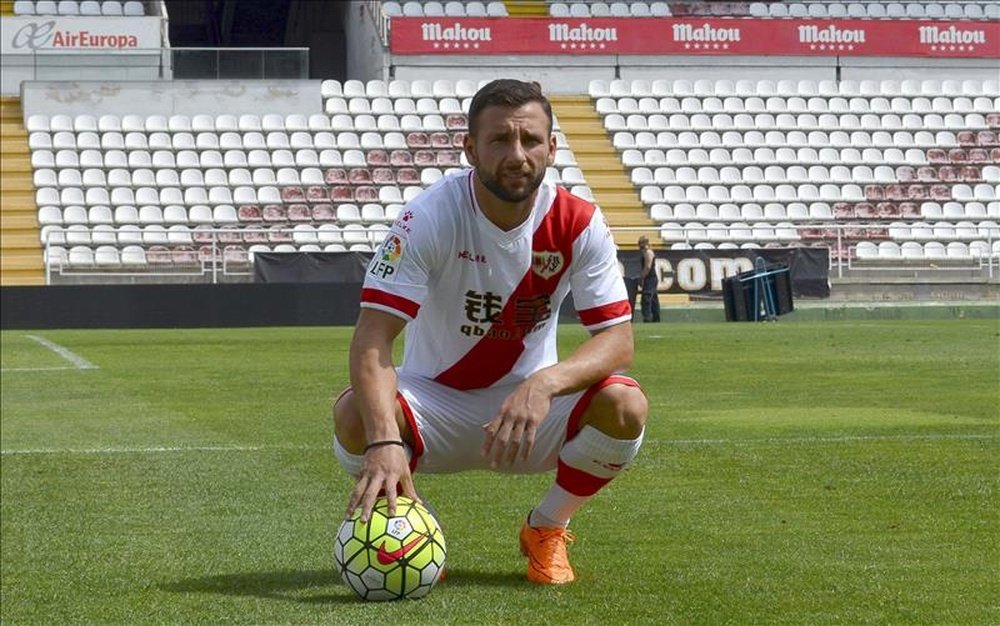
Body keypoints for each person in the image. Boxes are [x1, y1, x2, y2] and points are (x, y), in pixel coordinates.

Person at [333, 79, 648, 585]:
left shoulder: (578, 222)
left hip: (528, 412)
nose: (516, 154)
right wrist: (384, 440)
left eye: (529, 140)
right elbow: (373, 339)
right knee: (354, 415)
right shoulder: (429, 217)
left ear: (551, 147)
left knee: (626, 405)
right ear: (470, 148)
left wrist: (543, 384)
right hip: (432, 406)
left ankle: (547, 527)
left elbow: (618, 341)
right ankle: (407, 525)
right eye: (499, 140)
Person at [637, 235, 660, 323]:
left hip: (650, 278)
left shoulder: (648, 253)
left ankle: (647, 318)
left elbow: (648, 267)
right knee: (654, 299)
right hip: (651, 278)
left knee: (646, 298)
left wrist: (641, 277)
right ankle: (656, 318)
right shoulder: (646, 252)